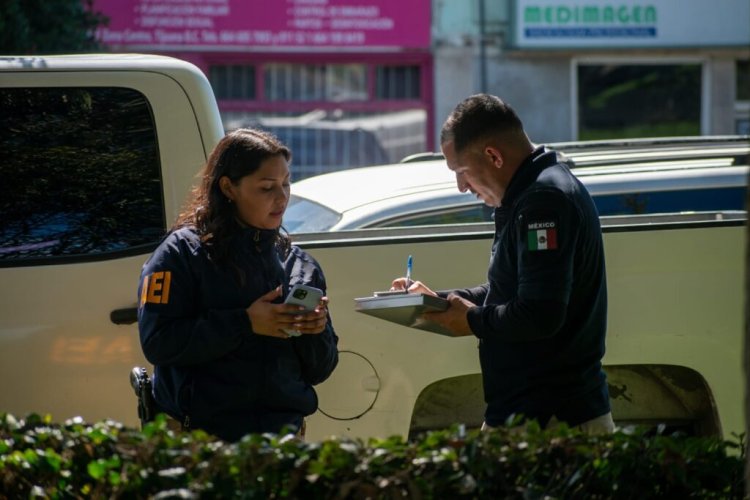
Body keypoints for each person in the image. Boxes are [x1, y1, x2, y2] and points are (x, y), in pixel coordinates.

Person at [391, 94, 613, 434]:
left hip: (550, 419)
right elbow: (507, 292)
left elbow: (540, 313)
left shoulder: (543, 202)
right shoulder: (531, 195)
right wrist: (436, 300)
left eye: (461, 171)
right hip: (530, 412)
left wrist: (472, 320)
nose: (461, 187)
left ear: (493, 155)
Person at [137, 128, 339, 442]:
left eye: (286, 183)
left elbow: (320, 370)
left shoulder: (300, 264)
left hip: (284, 439)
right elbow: (158, 342)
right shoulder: (181, 254)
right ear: (229, 187)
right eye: (266, 187)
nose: (282, 197)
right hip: (201, 439)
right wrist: (244, 323)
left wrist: (316, 331)